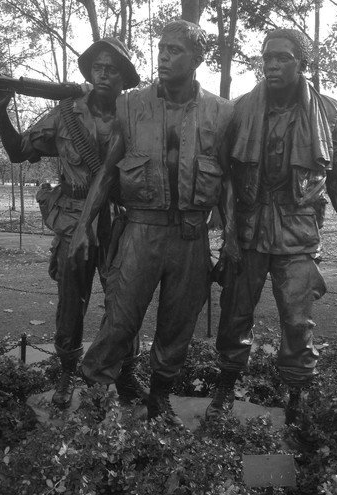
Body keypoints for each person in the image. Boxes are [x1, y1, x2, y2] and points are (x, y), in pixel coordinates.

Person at [68, 20, 240, 426]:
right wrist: (82, 227)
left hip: (191, 236)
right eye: (161, 48)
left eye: (174, 50)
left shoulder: (222, 112)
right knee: (120, 319)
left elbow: (228, 182)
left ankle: (159, 399)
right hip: (141, 231)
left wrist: (231, 238)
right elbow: (107, 172)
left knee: (178, 324)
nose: (163, 57)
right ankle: (93, 393)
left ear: (197, 59)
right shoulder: (131, 105)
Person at [205, 28, 337, 423]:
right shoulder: (240, 109)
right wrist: (229, 235)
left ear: (302, 64)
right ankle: (225, 387)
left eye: (283, 58)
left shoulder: (328, 113)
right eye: (267, 58)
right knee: (234, 314)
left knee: (298, 320)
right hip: (248, 228)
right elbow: (226, 178)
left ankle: (296, 395)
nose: (273, 65)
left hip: (297, 229)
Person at [0, 38, 147, 409]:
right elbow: (18, 151)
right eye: (97, 67)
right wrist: (0, 111)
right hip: (74, 220)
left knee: (125, 302)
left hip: (119, 222)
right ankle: (66, 373)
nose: (103, 74)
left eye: (111, 69)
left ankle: (125, 373)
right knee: (71, 303)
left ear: (124, 77)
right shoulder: (66, 114)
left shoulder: (136, 117)